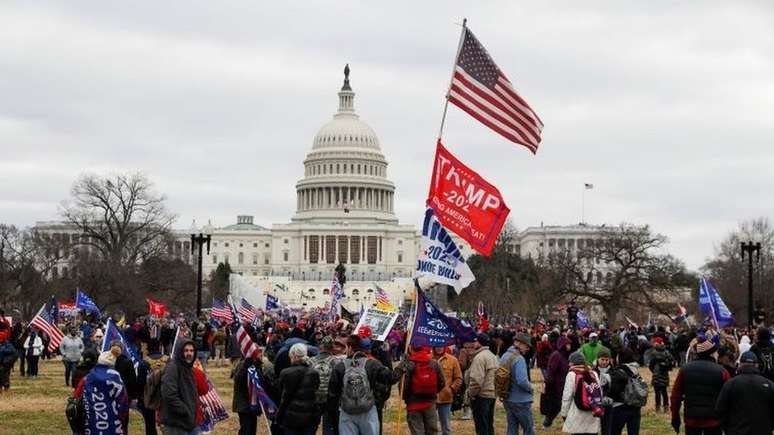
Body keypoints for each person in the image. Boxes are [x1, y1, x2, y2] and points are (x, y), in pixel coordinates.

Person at [328, 334, 394, 435]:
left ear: (349, 347)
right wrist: (402, 366)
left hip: (347, 411)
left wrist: (334, 415)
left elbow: (332, 395)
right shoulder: (372, 364)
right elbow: (390, 378)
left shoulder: (340, 366)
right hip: (368, 409)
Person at [670, 337, 730, 435]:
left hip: (692, 419)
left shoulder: (685, 370)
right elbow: (728, 397)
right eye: (716, 352)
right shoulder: (722, 371)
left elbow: (675, 396)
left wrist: (675, 417)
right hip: (713, 420)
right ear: (712, 353)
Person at [715, 351, 774, 435]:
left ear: (741, 364)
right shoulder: (769, 384)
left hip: (736, 430)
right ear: (756, 365)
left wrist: (728, 428)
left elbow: (720, 409)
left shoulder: (731, 384)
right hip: (762, 430)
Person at [73, 350, 129, 434]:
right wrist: (123, 416)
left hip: (91, 420)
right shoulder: (115, 377)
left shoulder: (87, 377)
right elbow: (123, 400)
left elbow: (76, 396)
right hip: (112, 420)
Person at [277, 343, 321, 435]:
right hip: (310, 417)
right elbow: (315, 391)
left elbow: (283, 397)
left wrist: (279, 417)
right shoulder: (314, 373)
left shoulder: (286, 373)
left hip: (291, 419)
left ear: (294, 356)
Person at [399, 346, 444, 435]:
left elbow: (404, 386)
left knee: (417, 432)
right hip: (430, 403)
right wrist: (433, 392)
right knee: (432, 431)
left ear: (411, 349)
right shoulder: (433, 363)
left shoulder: (408, 364)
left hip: (413, 404)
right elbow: (442, 382)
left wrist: (406, 398)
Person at [160, 339, 201, 435]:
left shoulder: (189, 368)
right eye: (186, 351)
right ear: (180, 352)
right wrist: (184, 410)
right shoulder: (173, 368)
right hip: (176, 423)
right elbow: (169, 394)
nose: (189, 353)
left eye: (191, 351)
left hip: (189, 422)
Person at [500, 332, 534, 435]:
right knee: (529, 430)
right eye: (526, 345)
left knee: (512, 429)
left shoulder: (504, 356)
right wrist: (531, 388)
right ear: (518, 343)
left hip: (507, 398)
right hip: (521, 401)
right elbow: (522, 381)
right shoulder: (519, 359)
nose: (527, 348)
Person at [560, 352, 600, 435]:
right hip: (592, 414)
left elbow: (567, 397)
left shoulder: (572, 374)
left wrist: (564, 413)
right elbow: (599, 393)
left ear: (572, 362)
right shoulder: (593, 373)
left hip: (577, 415)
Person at [467, 333, 499, 435]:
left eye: (475, 341)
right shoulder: (493, 356)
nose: (473, 343)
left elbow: (476, 380)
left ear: (479, 343)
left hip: (481, 396)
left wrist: (471, 394)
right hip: (492, 394)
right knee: (489, 425)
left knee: (481, 427)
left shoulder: (479, 357)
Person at [607, 348, 643, 435]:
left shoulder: (617, 372)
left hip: (620, 407)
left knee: (614, 432)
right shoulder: (635, 370)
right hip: (635, 406)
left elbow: (613, 390)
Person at [232, 348, 265, 435]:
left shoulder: (257, 364)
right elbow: (238, 380)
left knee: (252, 430)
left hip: (253, 404)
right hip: (243, 403)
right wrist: (245, 367)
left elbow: (261, 382)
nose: (261, 355)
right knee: (246, 430)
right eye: (259, 353)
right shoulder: (242, 365)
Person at [312, 336, 339, 435]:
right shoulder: (335, 361)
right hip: (329, 397)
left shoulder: (311, 360)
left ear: (321, 346)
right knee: (328, 425)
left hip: (314, 397)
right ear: (332, 347)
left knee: (312, 426)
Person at [543, 335, 572, 428]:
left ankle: (567, 423)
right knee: (557, 405)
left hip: (564, 385)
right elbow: (551, 371)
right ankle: (548, 420)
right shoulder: (556, 355)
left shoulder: (566, 356)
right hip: (556, 386)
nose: (569, 346)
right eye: (567, 344)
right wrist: (549, 385)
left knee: (564, 404)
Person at [432, 346, 462, 435]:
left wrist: (451, 389)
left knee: (446, 427)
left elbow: (459, 378)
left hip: (445, 398)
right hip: (430, 398)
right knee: (430, 426)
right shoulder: (428, 359)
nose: (439, 348)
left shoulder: (453, 360)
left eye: (441, 346)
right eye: (437, 346)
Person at [648, 337, 674, 413]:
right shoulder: (666, 351)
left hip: (656, 373)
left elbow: (651, 364)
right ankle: (666, 407)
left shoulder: (654, 352)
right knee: (664, 392)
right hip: (665, 373)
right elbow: (672, 360)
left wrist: (654, 371)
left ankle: (658, 408)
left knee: (657, 392)